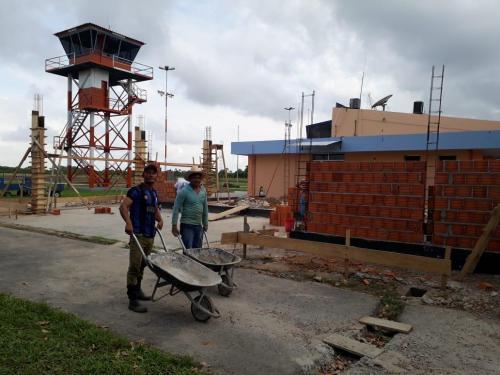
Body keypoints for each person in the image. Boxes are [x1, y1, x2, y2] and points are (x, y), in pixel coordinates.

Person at [119, 164, 163, 313]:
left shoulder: (154, 193)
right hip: (138, 234)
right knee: (134, 267)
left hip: (150, 234)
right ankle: (132, 299)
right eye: (148, 173)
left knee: (144, 264)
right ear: (143, 175)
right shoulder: (136, 191)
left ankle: (138, 290)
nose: (151, 175)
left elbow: (153, 208)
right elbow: (123, 207)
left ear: (157, 176)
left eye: (153, 173)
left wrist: (160, 219)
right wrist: (128, 223)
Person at [171, 166, 208, 249]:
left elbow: (205, 207)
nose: (197, 179)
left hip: (199, 226)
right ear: (190, 178)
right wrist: (174, 225)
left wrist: (205, 223)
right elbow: (176, 208)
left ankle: (196, 262)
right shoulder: (184, 191)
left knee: (198, 250)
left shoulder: (203, 190)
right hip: (187, 226)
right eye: (194, 177)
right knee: (188, 250)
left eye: (199, 177)